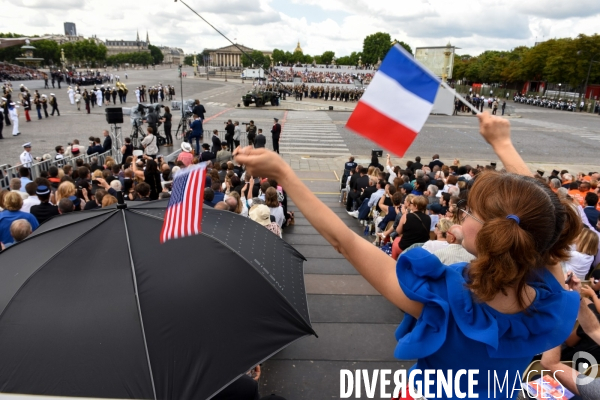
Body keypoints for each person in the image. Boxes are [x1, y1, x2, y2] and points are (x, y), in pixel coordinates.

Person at [233, 111, 581, 398]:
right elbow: (542, 214)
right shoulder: (549, 295)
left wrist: (285, 175)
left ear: (492, 232)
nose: (464, 215)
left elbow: (345, 242)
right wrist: (503, 144)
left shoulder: (443, 298)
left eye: (471, 212)